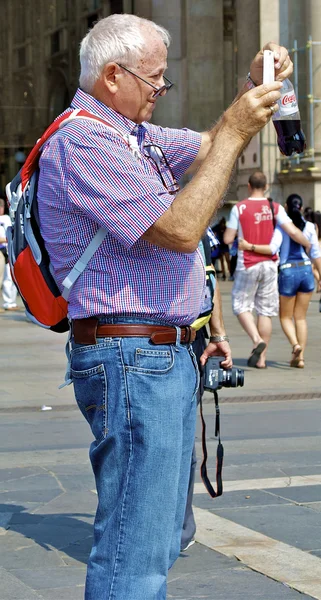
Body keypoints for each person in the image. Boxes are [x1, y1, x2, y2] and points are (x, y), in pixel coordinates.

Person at [36, 13, 293, 599]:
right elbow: (178, 228)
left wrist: (246, 93)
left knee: (161, 536)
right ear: (111, 76)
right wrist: (234, 130)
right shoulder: (83, 141)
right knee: (135, 549)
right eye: (155, 80)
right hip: (130, 358)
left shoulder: (133, 135)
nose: (162, 90)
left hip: (161, 354)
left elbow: (207, 147)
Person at [224, 172, 310, 369]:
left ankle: (256, 339)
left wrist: (239, 236)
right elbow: (293, 231)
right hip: (270, 264)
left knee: (241, 305)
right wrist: (307, 244)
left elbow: (228, 238)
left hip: (248, 263)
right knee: (265, 311)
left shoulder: (240, 207)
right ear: (266, 187)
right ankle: (261, 360)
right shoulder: (275, 207)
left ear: (248, 186)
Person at [180, 229, 232, 552]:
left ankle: (177, 527)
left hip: (178, 338)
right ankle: (180, 527)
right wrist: (219, 334)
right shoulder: (191, 208)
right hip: (185, 338)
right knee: (180, 439)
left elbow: (208, 276)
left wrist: (218, 334)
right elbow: (210, 279)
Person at [239, 194, 321, 368]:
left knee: (285, 317)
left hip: (288, 271)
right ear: (301, 207)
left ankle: (295, 345)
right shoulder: (310, 227)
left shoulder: (282, 227)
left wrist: (250, 247)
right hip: (306, 270)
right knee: (301, 318)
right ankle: (300, 358)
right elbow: (316, 255)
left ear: (285, 206)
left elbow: (272, 248)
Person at [0, 198, 18, 311]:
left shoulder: (7, 218)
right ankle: (7, 302)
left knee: (11, 277)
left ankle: (10, 301)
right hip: (1, 250)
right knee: (2, 279)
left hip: (8, 250)